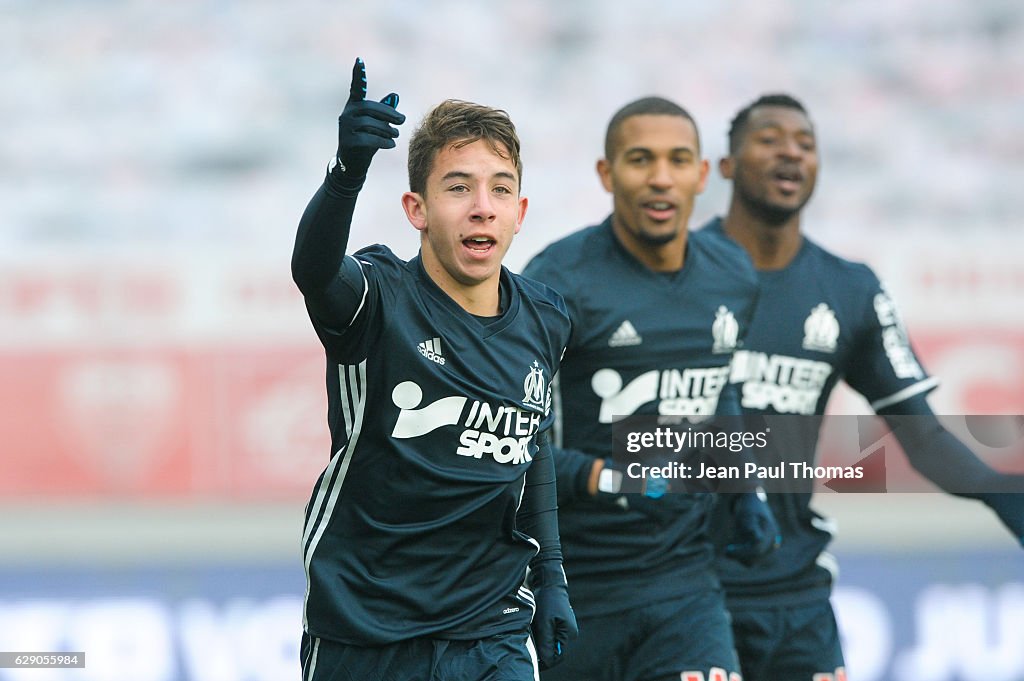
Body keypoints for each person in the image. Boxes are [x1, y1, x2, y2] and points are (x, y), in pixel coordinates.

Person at [701, 93, 1024, 681]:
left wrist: (1006, 492)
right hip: (688, 593)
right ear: (726, 164)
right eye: (770, 139)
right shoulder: (675, 274)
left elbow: (923, 439)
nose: (791, 153)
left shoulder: (849, 288)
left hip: (796, 595)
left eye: (806, 143)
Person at [291, 58, 577, 681]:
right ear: (415, 209)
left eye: (500, 189)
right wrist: (345, 177)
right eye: (458, 188)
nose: (482, 207)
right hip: (365, 630)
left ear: (520, 211)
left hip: (490, 627)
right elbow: (313, 272)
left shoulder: (546, 320)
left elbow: (534, 452)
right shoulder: (378, 296)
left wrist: (551, 577)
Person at [522, 97, 780, 681]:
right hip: (572, 585)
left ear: (701, 174)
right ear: (607, 174)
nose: (660, 178)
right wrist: (609, 477)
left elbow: (720, 392)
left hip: (685, 585)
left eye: (677, 159)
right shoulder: (556, 281)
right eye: (640, 160)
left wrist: (745, 492)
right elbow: (507, 440)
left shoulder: (732, 274)